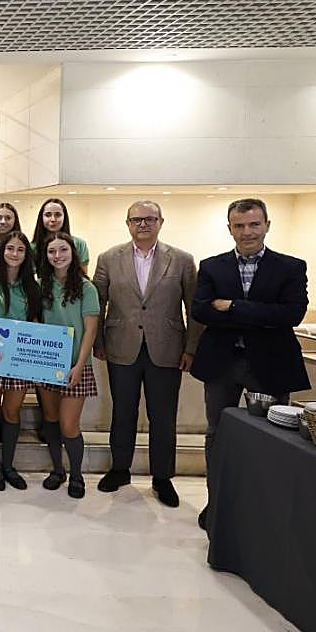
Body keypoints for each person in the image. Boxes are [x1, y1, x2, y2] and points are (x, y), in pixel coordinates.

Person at [191, 198, 308, 531]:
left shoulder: (290, 267)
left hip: (269, 367)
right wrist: (259, 314)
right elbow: (201, 310)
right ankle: (217, 504)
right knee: (217, 434)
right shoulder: (212, 266)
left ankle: (263, 507)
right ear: (230, 228)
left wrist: (233, 308)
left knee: (271, 437)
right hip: (222, 366)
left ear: (267, 225)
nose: (247, 232)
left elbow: (291, 314)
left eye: (254, 224)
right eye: (239, 226)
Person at [92, 201, 203, 508]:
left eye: (149, 219)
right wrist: (98, 341)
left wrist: (191, 348)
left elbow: (193, 308)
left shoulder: (181, 260)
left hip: (167, 349)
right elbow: (96, 304)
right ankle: (120, 469)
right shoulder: (108, 258)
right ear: (127, 223)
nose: (143, 224)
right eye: (137, 219)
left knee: (163, 417)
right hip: (120, 347)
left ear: (161, 222)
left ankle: (162, 477)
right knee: (122, 412)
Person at [37, 231, 101, 500]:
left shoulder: (87, 288)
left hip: (76, 365)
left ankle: (76, 474)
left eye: (63, 250)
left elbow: (90, 330)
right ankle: (57, 470)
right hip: (47, 363)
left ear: (72, 253)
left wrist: (79, 364)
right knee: (50, 420)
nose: (57, 256)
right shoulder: (42, 285)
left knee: (69, 425)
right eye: (52, 251)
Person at [0, 230, 43, 490]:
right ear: (2, 252)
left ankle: (8, 465)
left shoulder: (33, 287)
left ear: (26, 255)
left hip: (19, 361)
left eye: (20, 250)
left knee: (12, 412)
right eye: (10, 249)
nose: (14, 254)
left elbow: (36, 325)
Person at [32, 197, 90, 274]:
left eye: (58, 215)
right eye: (48, 215)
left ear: (64, 217)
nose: (53, 219)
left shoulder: (79, 244)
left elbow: (83, 275)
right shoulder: (32, 247)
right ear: (41, 218)